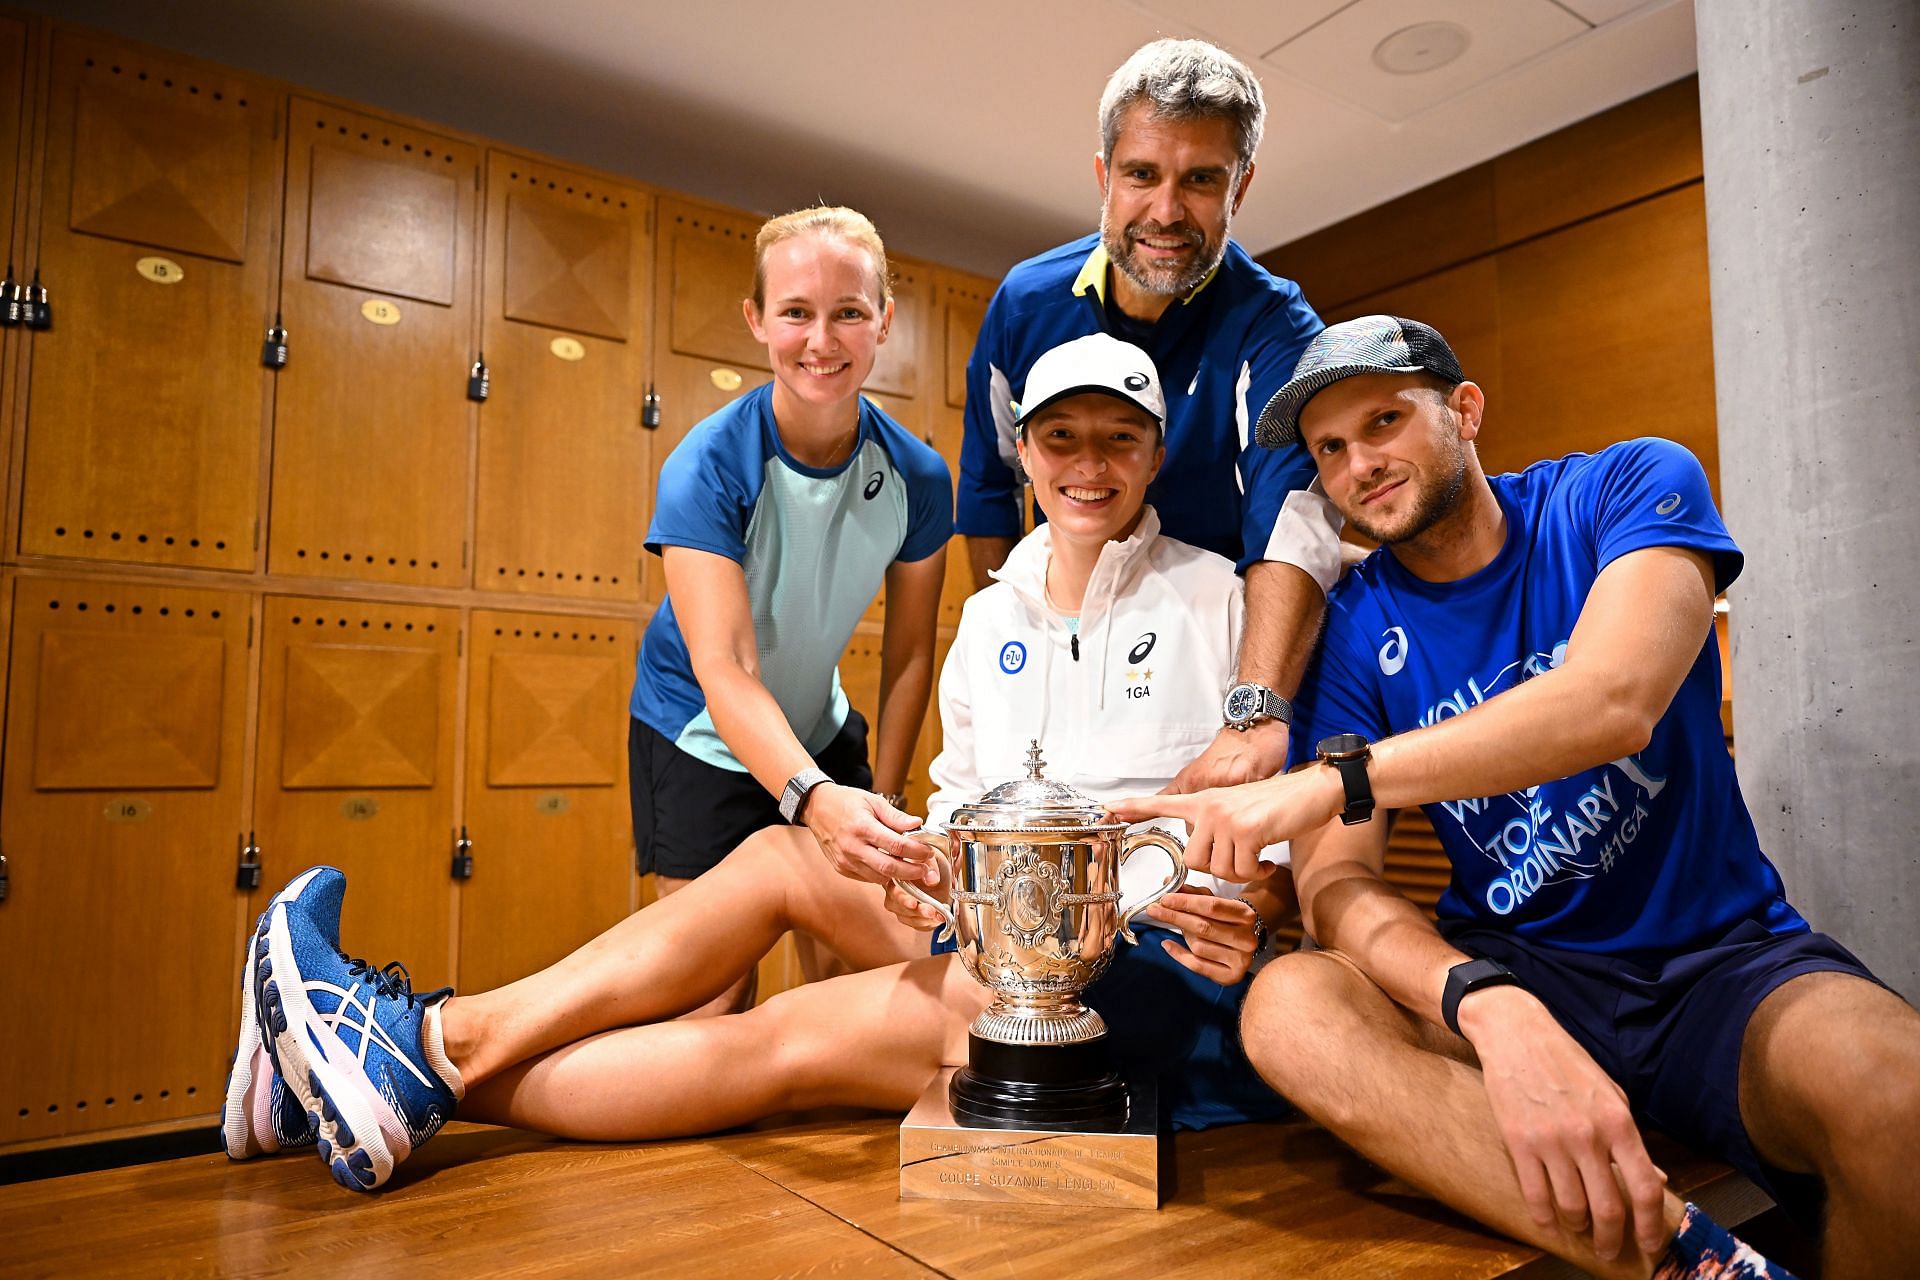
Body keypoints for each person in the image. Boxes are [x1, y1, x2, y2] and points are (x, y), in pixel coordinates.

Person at [230, 335, 1296, 1194]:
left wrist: (1210, 893)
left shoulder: (1225, 598)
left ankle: (416, 1057)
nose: (1090, 465)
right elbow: (964, 802)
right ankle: (397, 1054)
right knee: (785, 852)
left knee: (777, 1039)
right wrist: (914, 849)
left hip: (1127, 973)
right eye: (1062, 438)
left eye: (1121, 438)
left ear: (1158, 455)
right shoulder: (989, 614)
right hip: (988, 921)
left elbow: (1273, 847)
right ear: (1024, 455)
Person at [1112, 315, 1920, 1279]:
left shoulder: (1625, 487)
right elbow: (1335, 892)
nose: (1359, 463)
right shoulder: (1357, 628)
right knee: (1288, 1006)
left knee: (1897, 1092)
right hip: (1520, 969)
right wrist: (1487, 1004)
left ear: (1465, 409)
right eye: (1330, 450)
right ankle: (1695, 1263)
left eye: (1384, 421)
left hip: (1721, 967)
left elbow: (1613, 701)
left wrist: (1338, 779)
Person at [957, 38, 1341, 795]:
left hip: (1220, 650)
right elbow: (988, 484)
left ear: (1241, 185)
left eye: (1202, 179)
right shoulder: (1025, 303)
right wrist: (1015, 642)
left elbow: (1290, 518)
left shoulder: (1278, 327)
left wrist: (1255, 708)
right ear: (1104, 175)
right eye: (1141, 174)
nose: (1167, 211)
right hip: (1069, 632)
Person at [629, 205, 951, 1009]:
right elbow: (725, 665)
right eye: (796, 313)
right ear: (757, 321)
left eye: (848, 312)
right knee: (709, 1002)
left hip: (820, 726)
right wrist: (811, 801)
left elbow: (911, 650)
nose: (822, 340)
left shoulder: (917, 476)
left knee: (860, 989)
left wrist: (884, 792)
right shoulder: (707, 464)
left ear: (883, 320)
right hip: (699, 734)